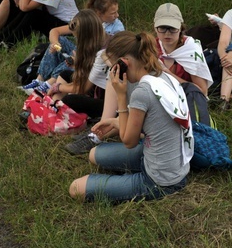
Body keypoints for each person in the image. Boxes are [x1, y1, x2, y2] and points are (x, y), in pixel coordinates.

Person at [68, 31, 193, 203]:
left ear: (124, 64)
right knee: (94, 154)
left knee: (76, 188)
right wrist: (115, 122)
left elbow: (129, 142)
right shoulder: (162, 76)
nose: (112, 72)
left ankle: (137, 180)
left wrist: (121, 96)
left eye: (113, 67)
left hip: (160, 180)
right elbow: (152, 124)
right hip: (171, 164)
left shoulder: (142, 92)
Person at [41, 10, 109, 118]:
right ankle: (53, 107)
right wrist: (77, 66)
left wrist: (59, 87)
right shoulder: (101, 41)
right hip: (96, 89)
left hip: (107, 103)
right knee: (65, 74)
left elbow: (83, 87)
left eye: (78, 38)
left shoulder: (102, 54)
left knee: (70, 100)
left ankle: (54, 109)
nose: (77, 41)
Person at [153, 3, 213, 123]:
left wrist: (166, 73)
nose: (167, 33)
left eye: (172, 28)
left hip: (185, 103)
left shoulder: (191, 49)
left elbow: (201, 91)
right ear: (155, 28)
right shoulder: (151, 47)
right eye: (162, 28)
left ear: (181, 28)